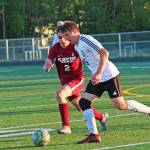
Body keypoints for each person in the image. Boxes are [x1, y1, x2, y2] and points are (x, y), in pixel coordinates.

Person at [57, 21, 150, 143]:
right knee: (84, 102)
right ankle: (93, 135)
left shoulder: (86, 40)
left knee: (120, 105)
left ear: (75, 31)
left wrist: (99, 72)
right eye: (64, 37)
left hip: (109, 75)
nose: (66, 39)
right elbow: (91, 60)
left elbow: (104, 53)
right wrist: (93, 73)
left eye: (67, 35)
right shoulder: (76, 45)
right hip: (98, 78)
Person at [43, 31, 108, 134]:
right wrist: (47, 65)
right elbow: (48, 61)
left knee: (60, 94)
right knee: (81, 106)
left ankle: (66, 126)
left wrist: (96, 70)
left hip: (77, 79)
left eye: (65, 37)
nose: (63, 40)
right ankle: (102, 117)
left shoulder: (76, 46)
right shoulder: (55, 48)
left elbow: (90, 54)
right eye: (60, 37)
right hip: (65, 82)